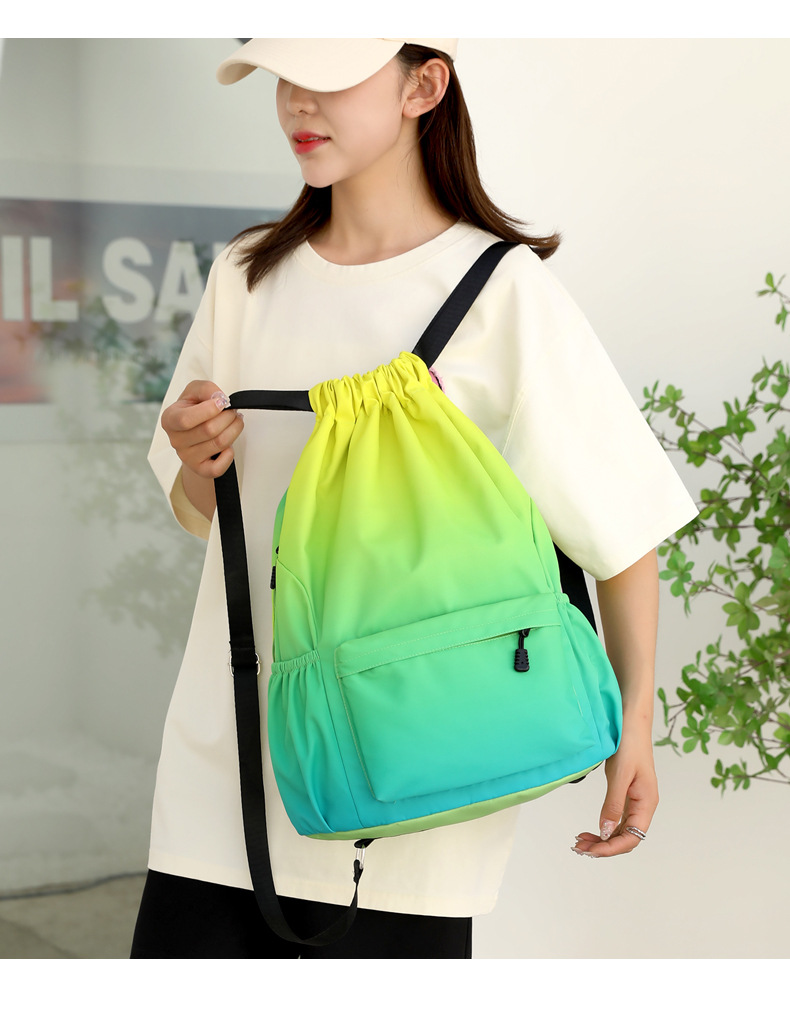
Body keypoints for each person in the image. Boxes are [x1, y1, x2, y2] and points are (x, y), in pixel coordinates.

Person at [131, 38, 697, 959]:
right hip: (223, 774)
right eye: (284, 77)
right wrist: (199, 456)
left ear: (423, 86)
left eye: (328, 75)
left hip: (420, 779)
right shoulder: (246, 275)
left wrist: (635, 728)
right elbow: (206, 512)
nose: (297, 101)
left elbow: (621, 525)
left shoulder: (502, 291)